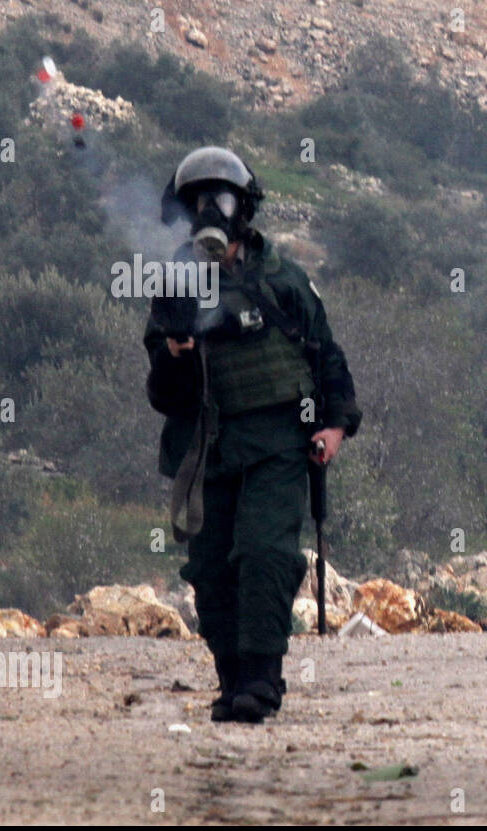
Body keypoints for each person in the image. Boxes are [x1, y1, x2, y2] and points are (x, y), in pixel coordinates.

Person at [144, 147, 361, 723]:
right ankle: (231, 678)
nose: (209, 211)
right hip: (206, 452)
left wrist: (335, 425)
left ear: (244, 209)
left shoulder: (283, 281)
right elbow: (164, 397)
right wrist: (176, 350)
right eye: (198, 202)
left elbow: (328, 358)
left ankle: (262, 680)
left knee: (265, 555)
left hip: (277, 448)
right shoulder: (174, 289)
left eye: (221, 199)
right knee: (212, 571)